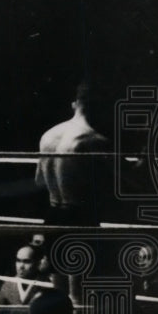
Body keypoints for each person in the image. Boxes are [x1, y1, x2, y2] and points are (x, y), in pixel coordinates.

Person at [35, 83, 111, 226]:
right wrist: (144, 157)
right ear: (98, 107)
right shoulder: (94, 139)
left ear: (74, 105)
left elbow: (39, 181)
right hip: (80, 218)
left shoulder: (48, 135)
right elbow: (129, 176)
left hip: (52, 216)